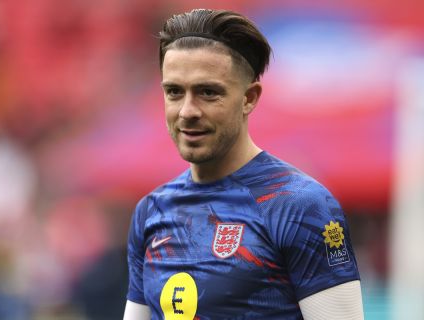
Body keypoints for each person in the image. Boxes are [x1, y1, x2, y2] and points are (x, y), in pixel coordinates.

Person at [124, 8, 363, 320]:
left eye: (208, 92)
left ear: (249, 97)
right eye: (174, 92)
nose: (187, 111)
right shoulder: (152, 211)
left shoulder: (301, 207)